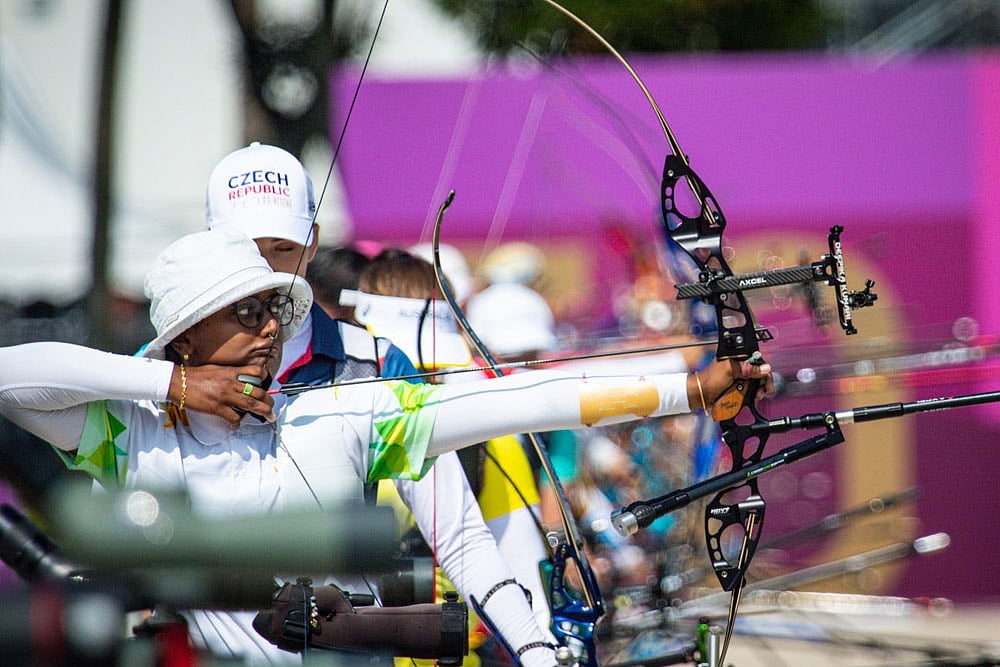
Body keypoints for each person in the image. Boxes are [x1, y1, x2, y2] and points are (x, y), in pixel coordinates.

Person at [0, 227, 771, 666]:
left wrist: (690, 386)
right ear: (186, 335)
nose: (269, 324)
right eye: (241, 311)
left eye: (271, 305)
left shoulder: (343, 413)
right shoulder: (127, 432)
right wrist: (171, 387)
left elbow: (522, 395)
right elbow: (10, 376)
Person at [202, 142, 549, 663]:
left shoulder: (374, 366)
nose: (263, 269)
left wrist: (537, 650)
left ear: (312, 241)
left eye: (282, 247)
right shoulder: (157, 373)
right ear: (208, 245)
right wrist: (172, 385)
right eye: (242, 247)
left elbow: (458, 537)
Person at [350, 248, 553, 644]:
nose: (418, 384)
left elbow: (531, 595)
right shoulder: (325, 428)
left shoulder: (489, 443)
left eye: (430, 370)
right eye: (400, 367)